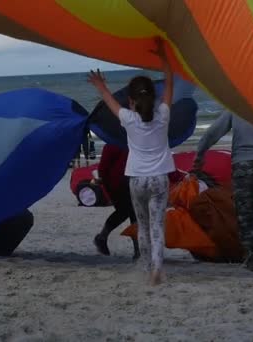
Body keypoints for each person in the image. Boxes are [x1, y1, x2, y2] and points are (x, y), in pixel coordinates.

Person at [87, 37, 174, 286]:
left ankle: (146, 265)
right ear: (154, 98)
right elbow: (169, 84)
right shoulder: (163, 115)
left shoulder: (127, 118)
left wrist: (100, 84)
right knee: (157, 226)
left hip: (136, 180)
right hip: (159, 179)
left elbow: (107, 99)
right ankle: (157, 268)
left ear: (131, 101)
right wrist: (164, 60)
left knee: (143, 225)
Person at [194, 111, 253, 271]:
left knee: (246, 215)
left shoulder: (235, 106)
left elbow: (213, 132)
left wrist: (200, 154)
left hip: (242, 166)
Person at [93, 143, 139, 259]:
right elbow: (103, 167)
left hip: (130, 181)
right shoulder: (115, 142)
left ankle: (102, 237)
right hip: (119, 184)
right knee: (131, 212)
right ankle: (138, 250)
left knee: (126, 212)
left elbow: (103, 167)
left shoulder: (121, 140)